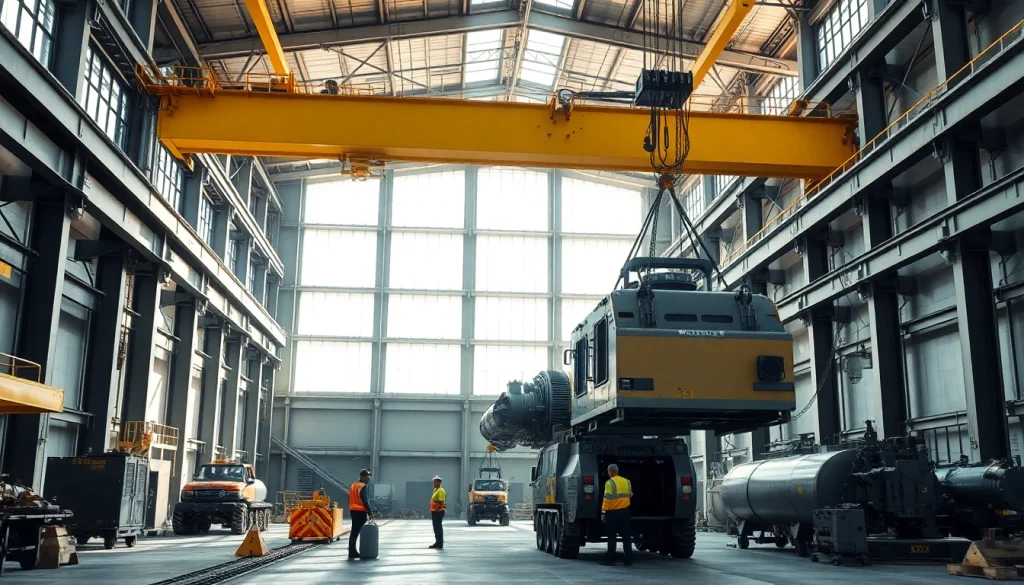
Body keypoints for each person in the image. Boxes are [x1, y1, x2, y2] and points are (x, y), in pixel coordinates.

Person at [601, 463, 633, 566]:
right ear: (617, 471)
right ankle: (628, 560)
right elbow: (630, 494)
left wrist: (603, 511)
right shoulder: (627, 481)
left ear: (609, 472)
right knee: (626, 537)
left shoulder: (609, 483)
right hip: (625, 512)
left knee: (612, 537)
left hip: (612, 513)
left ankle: (610, 560)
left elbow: (607, 498)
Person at [348, 469, 373, 560]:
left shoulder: (353, 485)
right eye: (367, 477)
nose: (368, 478)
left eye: (369, 477)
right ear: (362, 477)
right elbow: (364, 500)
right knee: (359, 532)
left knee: (354, 532)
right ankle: (356, 551)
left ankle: (352, 551)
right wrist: (370, 512)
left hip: (353, 511)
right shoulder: (363, 486)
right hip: (360, 511)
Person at [429, 475, 446, 549]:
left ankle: (440, 543)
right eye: (433, 482)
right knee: (436, 528)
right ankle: (437, 542)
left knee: (438, 528)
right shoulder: (436, 490)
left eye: (435, 482)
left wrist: (436, 510)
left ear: (439, 483)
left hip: (438, 512)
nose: (434, 484)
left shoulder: (440, 491)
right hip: (435, 512)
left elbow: (441, 502)